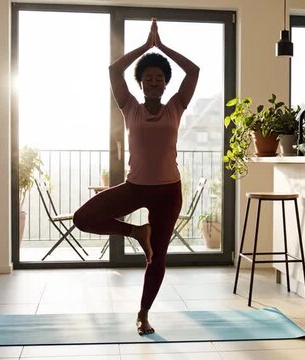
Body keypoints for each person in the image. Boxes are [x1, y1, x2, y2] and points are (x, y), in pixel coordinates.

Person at [73, 18, 199, 335]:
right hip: (135, 188)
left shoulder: (176, 107)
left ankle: (143, 314)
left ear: (165, 83)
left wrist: (163, 47)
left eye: (159, 78)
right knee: (83, 218)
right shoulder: (130, 107)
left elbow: (194, 71)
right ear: (140, 83)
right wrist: (146, 47)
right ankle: (135, 232)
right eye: (148, 78)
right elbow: (114, 72)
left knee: (157, 257)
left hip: (168, 191)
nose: (154, 82)